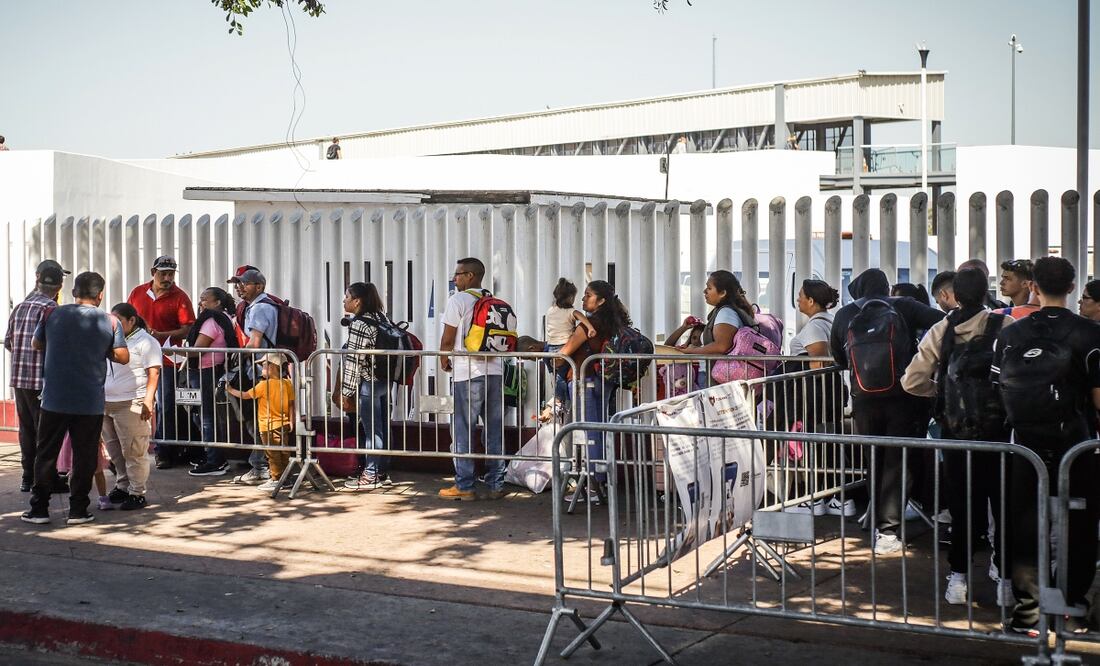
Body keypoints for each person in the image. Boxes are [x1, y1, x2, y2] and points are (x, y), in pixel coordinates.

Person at [991, 256, 1100, 635]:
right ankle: (1070, 609)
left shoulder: (1010, 334)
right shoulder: (1090, 334)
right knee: (1079, 527)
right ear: (1072, 288)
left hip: (1024, 445)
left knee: (1025, 527)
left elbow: (997, 391)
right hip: (1077, 446)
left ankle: (1028, 615)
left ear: (1033, 286)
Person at [901, 269, 1013, 606]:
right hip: (1000, 432)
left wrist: (942, 394)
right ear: (986, 293)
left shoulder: (941, 329)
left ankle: (959, 579)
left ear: (955, 296)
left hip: (956, 433)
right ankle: (1005, 581)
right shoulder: (1005, 327)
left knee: (964, 506)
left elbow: (911, 381)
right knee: (1003, 504)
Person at [829, 268, 945, 555]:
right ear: (886, 287)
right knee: (899, 460)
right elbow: (945, 323)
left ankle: (877, 519)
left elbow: (839, 357)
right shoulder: (904, 306)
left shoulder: (845, 314)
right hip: (905, 396)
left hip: (865, 398)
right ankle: (889, 530)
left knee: (875, 457)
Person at [22, 272, 129, 526]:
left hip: (54, 398)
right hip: (89, 401)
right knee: (85, 455)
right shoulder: (111, 322)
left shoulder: (51, 314)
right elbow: (123, 357)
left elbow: (37, 344)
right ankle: (79, 510)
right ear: (100, 295)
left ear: (73, 292)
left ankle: (39, 509)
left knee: (46, 453)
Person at [556, 280, 634, 502]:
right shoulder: (615, 322)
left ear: (601, 300)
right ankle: (602, 484)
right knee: (600, 429)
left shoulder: (589, 325)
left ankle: (594, 486)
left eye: (588, 295)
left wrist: (550, 358)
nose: (583, 299)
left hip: (584, 379)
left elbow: (566, 352)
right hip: (605, 381)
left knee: (588, 433)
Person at [437, 258, 508, 501]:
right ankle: (496, 483)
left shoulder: (458, 300)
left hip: (467, 373)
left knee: (463, 430)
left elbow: (448, 339)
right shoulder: (492, 300)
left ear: (470, 276)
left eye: (457, 274)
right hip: (495, 372)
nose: (454, 279)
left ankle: (465, 485)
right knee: (494, 430)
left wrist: (444, 360)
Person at [126, 255, 195, 468]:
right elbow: (127, 319)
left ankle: (164, 450)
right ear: (152, 272)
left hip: (166, 358)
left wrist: (160, 334)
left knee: (165, 404)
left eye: (171, 274)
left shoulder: (180, 297)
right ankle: (131, 446)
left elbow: (188, 328)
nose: (167, 278)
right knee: (135, 400)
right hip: (137, 357)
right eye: (163, 273)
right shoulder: (138, 293)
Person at [4, 260, 66, 492]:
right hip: (43, 381)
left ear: (38, 281)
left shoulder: (20, 307)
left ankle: (28, 476)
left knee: (27, 430)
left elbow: (9, 342)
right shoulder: (51, 310)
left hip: (19, 380)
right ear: (59, 287)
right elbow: (57, 346)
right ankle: (45, 479)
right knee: (47, 433)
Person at [100, 303, 161, 511]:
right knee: (115, 450)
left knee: (134, 450)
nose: (114, 326)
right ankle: (122, 486)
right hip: (107, 402)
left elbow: (154, 373)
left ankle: (137, 492)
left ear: (132, 321)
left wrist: (148, 400)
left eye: (119, 322)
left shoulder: (146, 341)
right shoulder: (111, 339)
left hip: (131, 402)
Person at [226, 267, 279, 484]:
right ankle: (262, 464)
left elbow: (255, 343)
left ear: (259, 286)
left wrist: (234, 354)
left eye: (244, 283)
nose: (239, 287)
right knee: (259, 419)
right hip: (262, 369)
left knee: (258, 420)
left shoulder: (259, 309)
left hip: (261, 371)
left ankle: (261, 466)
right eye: (237, 283)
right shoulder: (257, 307)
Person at [339, 282, 394, 490]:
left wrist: (346, 392)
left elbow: (354, 361)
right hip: (383, 380)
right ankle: (381, 471)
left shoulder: (360, 324)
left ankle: (370, 474)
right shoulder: (380, 317)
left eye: (346, 296)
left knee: (372, 431)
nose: (344, 300)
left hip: (368, 382)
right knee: (383, 428)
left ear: (357, 301)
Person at [187, 288, 241, 476]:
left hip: (206, 371)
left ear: (217, 302)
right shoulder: (224, 317)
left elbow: (197, 350)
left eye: (204, 299)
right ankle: (212, 455)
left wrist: (172, 351)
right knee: (202, 415)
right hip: (212, 370)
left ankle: (214, 460)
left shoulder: (211, 321)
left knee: (206, 417)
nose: (201, 303)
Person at [226, 353, 295, 493]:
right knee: (283, 452)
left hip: (267, 426)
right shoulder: (287, 383)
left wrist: (230, 389)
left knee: (272, 454)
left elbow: (245, 395)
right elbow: (291, 404)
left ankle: (276, 479)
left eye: (264, 365)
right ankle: (285, 478)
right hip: (283, 424)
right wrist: (292, 420)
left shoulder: (263, 385)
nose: (261, 367)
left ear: (273, 367)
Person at [541, 278, 596, 420]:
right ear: (571, 297)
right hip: (563, 348)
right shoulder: (572, 311)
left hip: (549, 348)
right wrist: (590, 328)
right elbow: (583, 319)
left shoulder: (550, 310)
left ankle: (557, 402)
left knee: (556, 376)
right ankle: (559, 401)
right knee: (561, 377)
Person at [667, 270, 750, 357]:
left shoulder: (726, 313)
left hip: (725, 370)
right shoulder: (730, 312)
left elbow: (722, 346)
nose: (705, 291)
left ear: (722, 293)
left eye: (709, 288)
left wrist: (693, 350)